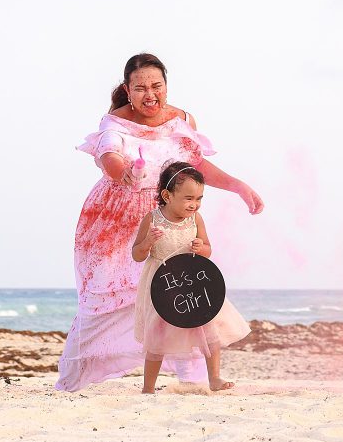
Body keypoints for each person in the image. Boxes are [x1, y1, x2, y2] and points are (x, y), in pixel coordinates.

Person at [55, 52, 263, 392]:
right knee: (107, 297)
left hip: (170, 214)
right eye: (140, 88)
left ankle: (193, 380)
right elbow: (109, 157)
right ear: (127, 89)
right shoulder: (115, 123)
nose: (150, 95)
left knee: (178, 289)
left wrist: (238, 186)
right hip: (113, 221)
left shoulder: (182, 121)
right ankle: (74, 379)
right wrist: (127, 174)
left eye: (157, 86)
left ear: (167, 86)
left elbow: (195, 168)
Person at [132, 162, 251, 393]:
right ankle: (148, 387)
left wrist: (201, 247)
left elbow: (208, 248)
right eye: (188, 198)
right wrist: (148, 243)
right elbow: (137, 254)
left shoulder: (195, 220)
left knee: (209, 326)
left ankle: (214, 378)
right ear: (167, 195)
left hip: (193, 282)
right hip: (164, 284)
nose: (194, 204)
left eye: (199, 199)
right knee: (158, 334)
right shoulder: (152, 220)